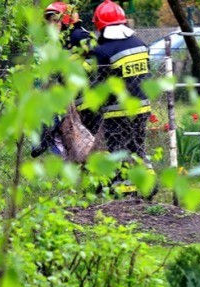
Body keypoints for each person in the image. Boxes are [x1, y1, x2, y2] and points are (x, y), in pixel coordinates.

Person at [84, 0, 154, 194]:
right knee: (138, 146)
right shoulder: (140, 43)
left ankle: (126, 190)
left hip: (118, 111)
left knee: (119, 149)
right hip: (142, 105)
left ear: (99, 24)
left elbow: (91, 76)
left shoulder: (103, 51)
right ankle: (149, 181)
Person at [31, 2, 93, 158]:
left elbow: (98, 61)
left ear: (65, 19)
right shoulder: (59, 42)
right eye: (49, 21)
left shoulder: (79, 35)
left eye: (54, 20)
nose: (50, 25)